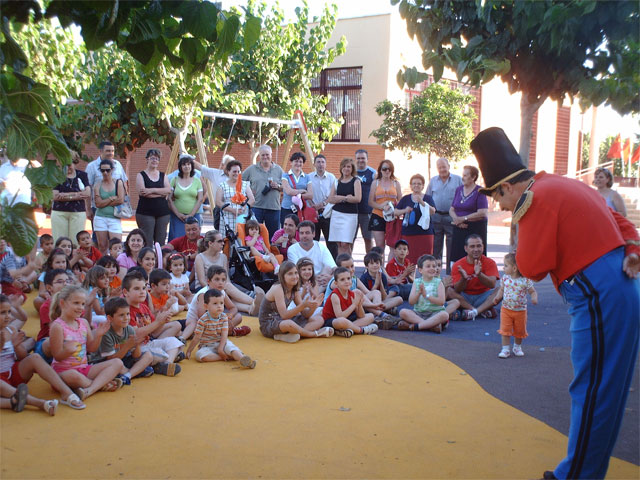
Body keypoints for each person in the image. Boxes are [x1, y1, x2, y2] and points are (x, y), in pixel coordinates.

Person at [472, 126, 639, 480]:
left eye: (497, 197)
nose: (499, 206)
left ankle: (575, 476)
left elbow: (531, 268)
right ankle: (581, 471)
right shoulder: (564, 183)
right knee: (605, 390)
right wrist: (634, 249)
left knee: (592, 390)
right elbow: (621, 222)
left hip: (596, 295)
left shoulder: (533, 199)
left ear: (507, 186)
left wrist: (519, 230)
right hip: (616, 289)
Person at [48, 286, 124, 401]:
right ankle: (100, 384)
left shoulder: (83, 323)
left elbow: (91, 348)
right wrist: (67, 351)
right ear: (62, 303)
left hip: (84, 369)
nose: (80, 307)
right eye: (76, 303)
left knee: (118, 363)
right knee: (73, 376)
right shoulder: (57, 327)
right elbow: (57, 356)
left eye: (83, 304)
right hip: (64, 373)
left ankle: (89, 389)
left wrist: (99, 335)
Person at [123, 271, 183, 376]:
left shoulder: (143, 307)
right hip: (135, 349)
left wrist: (162, 321)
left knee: (173, 342)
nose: (142, 292)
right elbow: (136, 334)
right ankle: (161, 362)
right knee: (158, 353)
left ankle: (166, 364)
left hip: (148, 343)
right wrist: (158, 322)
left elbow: (154, 332)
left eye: (143, 288)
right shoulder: (125, 310)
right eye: (137, 289)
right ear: (125, 292)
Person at [258, 261, 330, 343]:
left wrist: (314, 307)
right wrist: (303, 305)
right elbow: (284, 315)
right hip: (269, 323)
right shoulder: (278, 288)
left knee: (319, 320)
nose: (295, 276)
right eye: (290, 274)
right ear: (282, 276)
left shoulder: (294, 290)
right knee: (289, 323)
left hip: (283, 320)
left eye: (296, 273)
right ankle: (312, 334)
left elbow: (305, 314)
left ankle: (290, 334)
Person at [193, 230, 262, 315]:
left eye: (222, 241)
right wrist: (220, 288)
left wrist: (222, 288)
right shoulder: (200, 257)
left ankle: (250, 308)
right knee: (226, 287)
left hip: (221, 286)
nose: (223, 243)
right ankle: (257, 303)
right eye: (219, 241)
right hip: (203, 289)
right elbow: (202, 281)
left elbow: (227, 279)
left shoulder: (223, 257)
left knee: (227, 290)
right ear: (210, 243)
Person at [186, 288, 256, 368]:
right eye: (215, 303)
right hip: (207, 345)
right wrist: (189, 350)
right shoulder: (203, 320)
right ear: (206, 306)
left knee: (232, 349)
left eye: (221, 303)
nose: (219, 306)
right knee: (200, 356)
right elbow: (197, 337)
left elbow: (224, 335)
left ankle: (244, 360)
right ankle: (227, 357)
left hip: (222, 343)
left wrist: (220, 348)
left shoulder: (223, 317)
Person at [90, 297, 154, 383]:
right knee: (121, 366)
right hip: (106, 362)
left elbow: (136, 355)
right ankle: (136, 372)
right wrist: (127, 346)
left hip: (123, 358)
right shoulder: (106, 333)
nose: (126, 318)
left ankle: (127, 376)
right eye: (121, 315)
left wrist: (137, 344)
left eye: (127, 314)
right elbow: (111, 359)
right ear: (110, 318)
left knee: (148, 355)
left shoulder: (129, 329)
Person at [492, 253, 538, 358]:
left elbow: (532, 291)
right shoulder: (505, 278)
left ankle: (517, 347)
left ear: (514, 268)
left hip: (521, 310)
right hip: (506, 309)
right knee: (505, 329)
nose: (503, 268)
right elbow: (501, 290)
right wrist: (497, 297)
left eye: (506, 265)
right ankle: (505, 349)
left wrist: (534, 298)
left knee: (519, 330)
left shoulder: (525, 280)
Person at [398, 254, 455, 333]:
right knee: (403, 312)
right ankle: (430, 326)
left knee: (444, 315)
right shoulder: (417, 282)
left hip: (435, 313)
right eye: (428, 266)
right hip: (419, 313)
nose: (432, 268)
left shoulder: (439, 282)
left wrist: (427, 296)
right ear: (420, 270)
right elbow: (411, 302)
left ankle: (417, 326)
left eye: (434, 266)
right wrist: (419, 293)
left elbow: (441, 302)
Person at [447, 234, 499, 320]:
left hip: (483, 297)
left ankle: (473, 312)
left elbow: (492, 284)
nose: (476, 249)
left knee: (502, 289)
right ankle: (478, 310)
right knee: (448, 290)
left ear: (483, 247)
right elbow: (457, 289)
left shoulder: (490, 262)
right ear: (466, 248)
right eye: (472, 246)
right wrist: (464, 279)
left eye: (479, 246)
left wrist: (479, 274)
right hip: (464, 297)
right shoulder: (458, 265)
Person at [427, 157, 462, 274]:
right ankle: (435, 274)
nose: (442, 169)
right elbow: (427, 198)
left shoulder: (458, 180)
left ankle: (449, 274)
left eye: (444, 167)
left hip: (451, 216)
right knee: (436, 247)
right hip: (436, 216)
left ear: (449, 166)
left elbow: (464, 196)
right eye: (440, 167)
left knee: (451, 246)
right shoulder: (433, 181)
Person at [322, 267, 377, 338]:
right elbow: (340, 316)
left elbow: (361, 316)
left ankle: (345, 330)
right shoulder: (335, 295)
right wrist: (354, 304)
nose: (346, 281)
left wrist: (359, 304)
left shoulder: (352, 293)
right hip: (333, 320)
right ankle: (362, 330)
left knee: (371, 316)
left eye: (348, 278)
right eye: (342, 279)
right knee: (342, 321)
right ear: (336, 283)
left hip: (348, 319)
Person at [449, 165, 488, 264]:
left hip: (475, 229)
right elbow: (452, 209)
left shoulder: (480, 191)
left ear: (473, 177)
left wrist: (463, 219)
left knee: (474, 257)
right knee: (457, 258)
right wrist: (457, 220)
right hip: (459, 228)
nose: (463, 177)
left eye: (465, 175)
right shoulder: (459, 189)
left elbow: (482, 212)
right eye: (463, 175)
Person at [243, 144, 284, 237]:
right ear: (259, 156)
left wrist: (277, 186)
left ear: (271, 155)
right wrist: (248, 191)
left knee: (273, 236)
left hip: (273, 208)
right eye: (263, 155)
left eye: (267, 154)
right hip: (256, 207)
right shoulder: (252, 169)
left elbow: (285, 186)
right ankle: (256, 251)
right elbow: (239, 181)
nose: (265, 157)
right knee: (254, 235)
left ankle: (272, 251)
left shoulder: (278, 170)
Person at [86, 141, 128, 230]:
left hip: (116, 208)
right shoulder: (92, 167)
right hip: (97, 208)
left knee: (115, 237)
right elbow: (88, 188)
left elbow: (124, 183)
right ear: (101, 151)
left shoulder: (118, 165)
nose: (111, 153)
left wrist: (125, 200)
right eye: (108, 151)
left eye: (112, 151)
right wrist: (88, 209)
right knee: (97, 237)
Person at [395, 174, 437, 265]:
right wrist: (405, 210)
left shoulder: (427, 198)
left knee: (427, 261)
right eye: (414, 183)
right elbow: (395, 212)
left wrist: (422, 202)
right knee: (409, 262)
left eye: (419, 183)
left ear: (423, 186)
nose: (416, 185)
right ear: (410, 186)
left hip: (425, 233)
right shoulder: (405, 198)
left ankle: (426, 279)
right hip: (409, 234)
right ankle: (410, 279)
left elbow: (433, 211)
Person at [135, 148, 171, 246]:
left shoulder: (163, 175)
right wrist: (161, 193)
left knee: (161, 242)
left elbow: (168, 190)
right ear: (147, 159)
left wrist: (151, 190)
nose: (154, 160)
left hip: (163, 213)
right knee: (147, 241)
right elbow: (142, 192)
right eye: (152, 158)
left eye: (157, 159)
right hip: (145, 212)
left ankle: (160, 261)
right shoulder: (140, 175)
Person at [51, 157, 91, 242]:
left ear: (74, 163)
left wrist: (65, 195)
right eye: (64, 165)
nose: (67, 167)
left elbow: (87, 193)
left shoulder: (82, 175)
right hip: (59, 213)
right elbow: (55, 196)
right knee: (59, 241)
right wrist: (78, 194)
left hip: (78, 212)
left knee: (76, 242)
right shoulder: (56, 175)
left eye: (69, 165)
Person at [286, 221, 336, 289]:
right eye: (301, 233)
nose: (304, 236)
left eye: (307, 233)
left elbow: (334, 267)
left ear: (313, 234)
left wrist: (331, 277)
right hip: (302, 281)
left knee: (328, 269)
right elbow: (297, 271)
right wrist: (314, 278)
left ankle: (316, 295)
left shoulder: (321, 247)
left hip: (320, 281)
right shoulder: (292, 249)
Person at [368, 159, 402, 256]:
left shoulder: (396, 183)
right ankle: (380, 269)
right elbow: (370, 202)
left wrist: (392, 205)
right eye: (384, 169)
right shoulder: (375, 183)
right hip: (378, 216)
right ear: (380, 170)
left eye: (389, 169)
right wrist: (381, 206)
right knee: (379, 246)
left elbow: (400, 201)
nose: (387, 171)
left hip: (392, 217)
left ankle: (390, 270)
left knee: (393, 245)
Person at [328, 158, 361, 256]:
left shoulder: (356, 181)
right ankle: (341, 268)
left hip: (350, 216)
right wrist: (346, 198)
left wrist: (341, 198)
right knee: (339, 244)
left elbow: (357, 199)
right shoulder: (337, 182)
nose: (346, 168)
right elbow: (331, 199)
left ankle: (348, 267)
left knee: (346, 244)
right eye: (344, 166)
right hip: (337, 215)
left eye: (348, 166)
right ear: (341, 168)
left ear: (352, 168)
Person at [191, 153, 232, 230]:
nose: (230, 168)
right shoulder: (215, 173)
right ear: (223, 165)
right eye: (228, 165)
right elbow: (200, 167)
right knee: (219, 231)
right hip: (219, 209)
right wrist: (188, 158)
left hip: (233, 209)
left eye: (232, 165)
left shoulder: (237, 176)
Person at [307, 154, 338, 259]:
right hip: (313, 213)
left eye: (322, 162)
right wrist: (313, 207)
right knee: (313, 240)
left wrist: (322, 204)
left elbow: (332, 195)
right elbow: (307, 194)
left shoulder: (331, 177)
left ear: (326, 164)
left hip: (327, 213)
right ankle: (313, 261)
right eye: (318, 162)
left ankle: (333, 263)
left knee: (331, 241)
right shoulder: (309, 177)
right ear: (314, 164)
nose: (320, 164)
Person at [168, 154, 204, 241]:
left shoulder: (197, 181)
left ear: (192, 166)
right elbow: (169, 199)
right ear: (180, 167)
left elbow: (200, 199)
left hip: (194, 216)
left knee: (193, 240)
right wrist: (178, 214)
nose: (186, 166)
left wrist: (191, 215)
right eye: (184, 164)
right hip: (177, 217)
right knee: (177, 240)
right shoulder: (174, 179)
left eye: (188, 164)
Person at [92, 159, 125, 254]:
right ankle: (103, 266)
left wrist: (104, 202)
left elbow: (120, 200)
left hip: (114, 217)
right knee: (102, 246)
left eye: (108, 170)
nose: (105, 173)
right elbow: (97, 204)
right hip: (100, 218)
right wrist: (111, 198)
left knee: (117, 246)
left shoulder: (118, 183)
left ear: (112, 170)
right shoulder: (98, 184)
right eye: (102, 170)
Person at [216, 160, 255, 235]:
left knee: (241, 239)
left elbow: (252, 199)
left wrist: (244, 208)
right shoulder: (222, 185)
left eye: (238, 171)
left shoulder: (244, 184)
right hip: (227, 218)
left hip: (242, 217)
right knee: (227, 240)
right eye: (234, 171)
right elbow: (218, 202)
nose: (236, 173)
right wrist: (232, 210)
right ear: (228, 171)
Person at [281, 152, 313, 227]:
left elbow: (311, 195)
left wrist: (295, 194)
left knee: (300, 230)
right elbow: (288, 191)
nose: (298, 163)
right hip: (287, 208)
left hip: (301, 209)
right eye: (296, 161)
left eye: (300, 162)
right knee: (286, 231)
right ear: (291, 163)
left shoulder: (307, 177)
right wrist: (302, 191)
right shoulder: (285, 176)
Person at [354, 149, 376, 254]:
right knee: (349, 240)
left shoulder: (373, 173)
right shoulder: (351, 172)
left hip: (367, 212)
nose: (360, 160)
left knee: (368, 239)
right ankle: (348, 266)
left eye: (363, 158)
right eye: (358, 158)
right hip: (352, 212)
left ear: (367, 159)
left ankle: (370, 264)